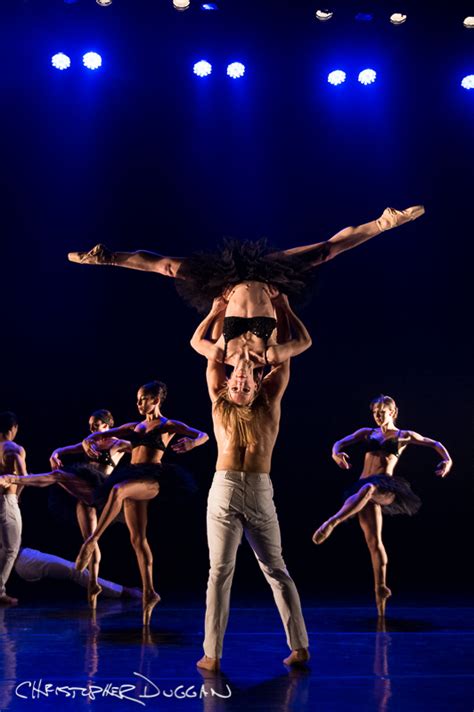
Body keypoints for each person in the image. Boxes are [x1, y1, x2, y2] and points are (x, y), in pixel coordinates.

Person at [192, 298, 311, 671]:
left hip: (259, 489)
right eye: (236, 380)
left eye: (246, 381)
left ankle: (300, 647)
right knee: (219, 572)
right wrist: (214, 311)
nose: (240, 381)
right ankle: (212, 655)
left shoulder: (270, 400)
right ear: (227, 383)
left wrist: (285, 308)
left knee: (276, 568)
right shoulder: (218, 401)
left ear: (259, 381)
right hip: (224, 489)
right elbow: (204, 350)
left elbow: (292, 350)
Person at [67, 206, 425, 314]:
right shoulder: (267, 352)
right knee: (324, 251)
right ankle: (383, 223)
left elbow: (205, 335)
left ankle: (108, 258)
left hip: (222, 280)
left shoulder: (226, 350)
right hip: (270, 276)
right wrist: (281, 303)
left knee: (168, 267)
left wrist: (214, 308)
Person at [71, 380, 209, 625]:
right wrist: (86, 443)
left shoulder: (168, 425)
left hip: (154, 479)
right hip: (133, 476)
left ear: (156, 400)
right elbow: (98, 435)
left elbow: (203, 434)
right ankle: (149, 591)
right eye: (137, 399)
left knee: (117, 489)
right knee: (137, 539)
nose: (139, 403)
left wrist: (192, 443)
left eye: (144, 398)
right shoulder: (133, 428)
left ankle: (92, 542)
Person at [312, 395, 453, 616]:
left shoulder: (403, 435)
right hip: (362, 489)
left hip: (386, 487)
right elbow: (340, 442)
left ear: (393, 412)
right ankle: (380, 592)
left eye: (382, 412)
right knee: (374, 542)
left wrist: (447, 461)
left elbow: (433, 443)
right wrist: (336, 454)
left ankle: (332, 523)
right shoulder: (367, 433)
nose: (378, 416)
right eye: (375, 412)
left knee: (369, 490)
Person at [0, 409, 131, 609]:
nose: (92, 429)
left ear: (107, 425)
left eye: (96, 425)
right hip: (85, 495)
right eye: (90, 425)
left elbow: (140, 450)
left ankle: (15, 478)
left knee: (59, 476)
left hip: (100, 490)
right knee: (90, 540)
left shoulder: (118, 444)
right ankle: (93, 584)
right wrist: (55, 454)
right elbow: (62, 450)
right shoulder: (90, 442)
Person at [190, 290, 312, 405]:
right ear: (255, 386)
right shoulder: (269, 355)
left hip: (234, 281)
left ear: (228, 383)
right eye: (246, 389)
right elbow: (305, 342)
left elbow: (195, 342)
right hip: (266, 281)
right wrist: (286, 307)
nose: (241, 382)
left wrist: (214, 311)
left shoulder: (222, 353)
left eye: (235, 388)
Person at [14, 547, 142, 599]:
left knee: (75, 569)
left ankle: (121, 591)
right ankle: (122, 591)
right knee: (76, 570)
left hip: (23, 555)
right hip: (21, 561)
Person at [0, 412, 26, 606]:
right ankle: (0, 592)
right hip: (7, 500)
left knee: (3, 548)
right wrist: (16, 496)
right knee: (11, 549)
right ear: (13, 428)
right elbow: (24, 477)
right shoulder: (14, 448)